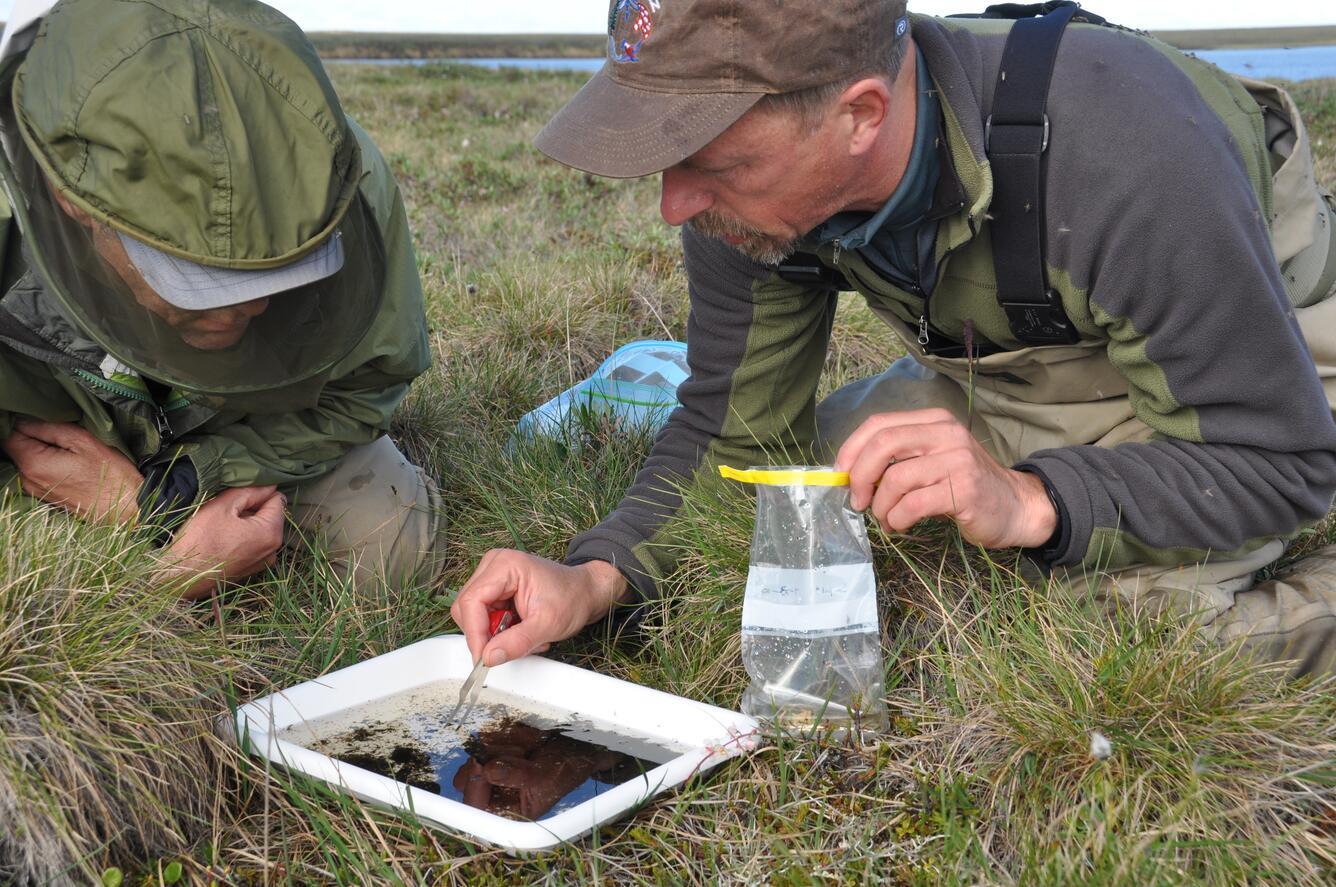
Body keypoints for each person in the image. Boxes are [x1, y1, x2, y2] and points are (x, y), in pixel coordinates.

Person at [454, 0, 1336, 678]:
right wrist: (597, 578)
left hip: (1266, 354)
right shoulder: (742, 206)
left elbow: (1273, 455)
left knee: (1122, 634)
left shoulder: (1126, 148)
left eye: (709, 160)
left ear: (860, 115)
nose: (673, 204)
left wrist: (1033, 501)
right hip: (1016, 361)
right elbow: (733, 432)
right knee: (790, 508)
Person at [0, 0, 441, 597]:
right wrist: (148, 549)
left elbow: (363, 391)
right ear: (70, 201)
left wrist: (172, 492)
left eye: (275, 278)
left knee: (393, 547)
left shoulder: (340, 187)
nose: (245, 311)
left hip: (248, 435)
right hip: (55, 454)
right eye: (195, 282)